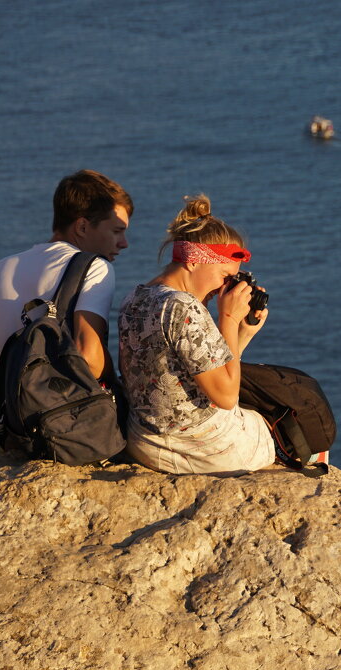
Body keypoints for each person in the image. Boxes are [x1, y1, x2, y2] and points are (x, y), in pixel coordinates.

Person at [117, 195, 276, 476]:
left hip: (144, 440)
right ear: (193, 261)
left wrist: (244, 332)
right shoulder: (184, 307)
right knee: (282, 422)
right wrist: (228, 318)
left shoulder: (136, 297)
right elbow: (226, 396)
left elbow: (208, 369)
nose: (225, 288)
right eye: (224, 276)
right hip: (197, 447)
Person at [0, 169, 132, 407]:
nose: (124, 243)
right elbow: (90, 360)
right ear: (81, 227)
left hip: (3, 425)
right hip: (59, 426)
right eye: (116, 231)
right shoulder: (93, 267)